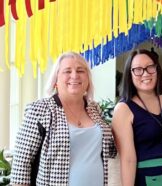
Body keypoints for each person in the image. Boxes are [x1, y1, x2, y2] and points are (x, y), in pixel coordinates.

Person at [10, 51, 116, 186]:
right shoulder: (40, 110)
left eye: (80, 71)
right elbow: (21, 163)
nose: (74, 75)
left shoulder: (95, 109)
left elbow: (111, 149)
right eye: (67, 71)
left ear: (88, 80)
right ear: (56, 80)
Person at [112, 48, 162, 186]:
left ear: (157, 69)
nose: (145, 73)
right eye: (138, 69)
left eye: (150, 67)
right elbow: (128, 159)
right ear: (130, 74)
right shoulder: (123, 108)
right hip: (147, 179)